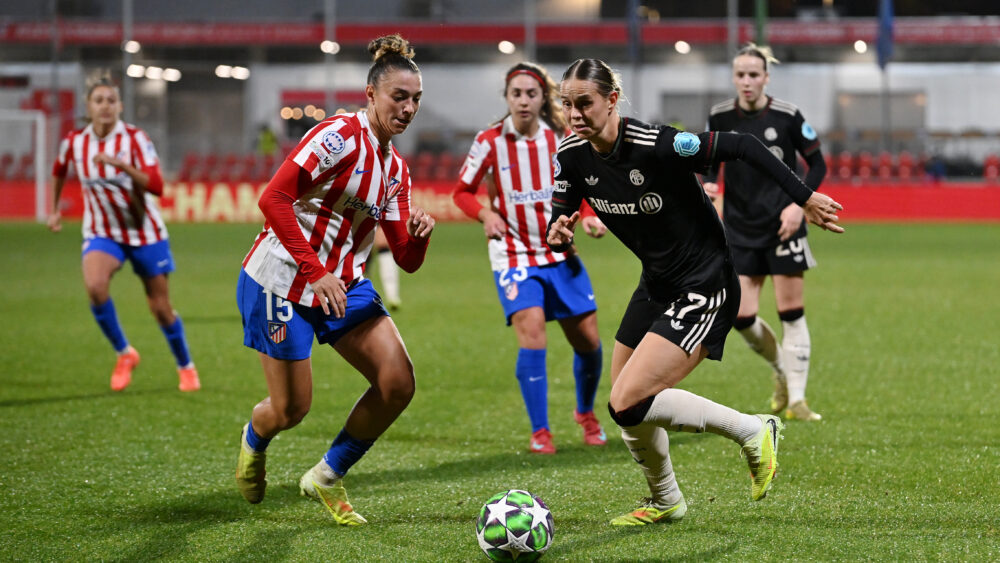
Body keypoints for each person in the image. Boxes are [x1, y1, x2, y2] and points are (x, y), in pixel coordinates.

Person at [547, 59, 843, 525]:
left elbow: (744, 145)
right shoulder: (570, 154)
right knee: (625, 406)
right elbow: (561, 212)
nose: (574, 114)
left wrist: (803, 197)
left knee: (628, 400)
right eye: (567, 104)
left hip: (706, 281)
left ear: (611, 99)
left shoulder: (657, 144)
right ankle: (666, 500)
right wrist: (558, 231)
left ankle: (752, 430)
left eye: (584, 103)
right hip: (657, 282)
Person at [234, 34, 435, 526]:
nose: (408, 108)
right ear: (371, 94)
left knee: (397, 383)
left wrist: (419, 237)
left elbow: (405, 260)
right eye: (399, 97)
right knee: (290, 410)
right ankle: (254, 439)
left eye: (415, 99)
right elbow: (273, 199)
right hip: (282, 279)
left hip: (342, 284)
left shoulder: (396, 171)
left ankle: (326, 476)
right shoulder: (337, 136)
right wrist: (315, 270)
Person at [453, 62, 608, 454]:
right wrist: (485, 215)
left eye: (531, 94)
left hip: (560, 253)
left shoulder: (562, 137)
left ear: (543, 99)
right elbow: (462, 192)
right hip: (514, 256)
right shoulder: (489, 141)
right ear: (507, 97)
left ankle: (585, 413)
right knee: (533, 335)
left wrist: (589, 216)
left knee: (589, 343)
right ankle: (541, 431)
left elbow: (580, 185)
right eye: (516, 94)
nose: (523, 100)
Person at [48, 71, 200, 393]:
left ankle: (185, 366)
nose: (105, 106)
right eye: (98, 100)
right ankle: (125, 353)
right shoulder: (75, 142)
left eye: (111, 100)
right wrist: (54, 208)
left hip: (145, 233)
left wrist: (122, 166)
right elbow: (59, 169)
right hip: (103, 232)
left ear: (120, 106)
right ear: (88, 106)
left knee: (161, 308)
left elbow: (157, 186)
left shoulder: (135, 139)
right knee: (95, 287)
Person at [703, 43, 828, 421]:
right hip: (739, 228)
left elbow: (818, 164)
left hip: (783, 225)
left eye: (754, 74)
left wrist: (798, 206)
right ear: (733, 77)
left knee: (791, 313)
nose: (747, 81)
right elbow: (709, 162)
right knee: (741, 317)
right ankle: (781, 371)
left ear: (766, 78)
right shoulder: (720, 115)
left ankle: (798, 401)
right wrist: (710, 187)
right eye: (740, 74)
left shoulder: (788, 116)